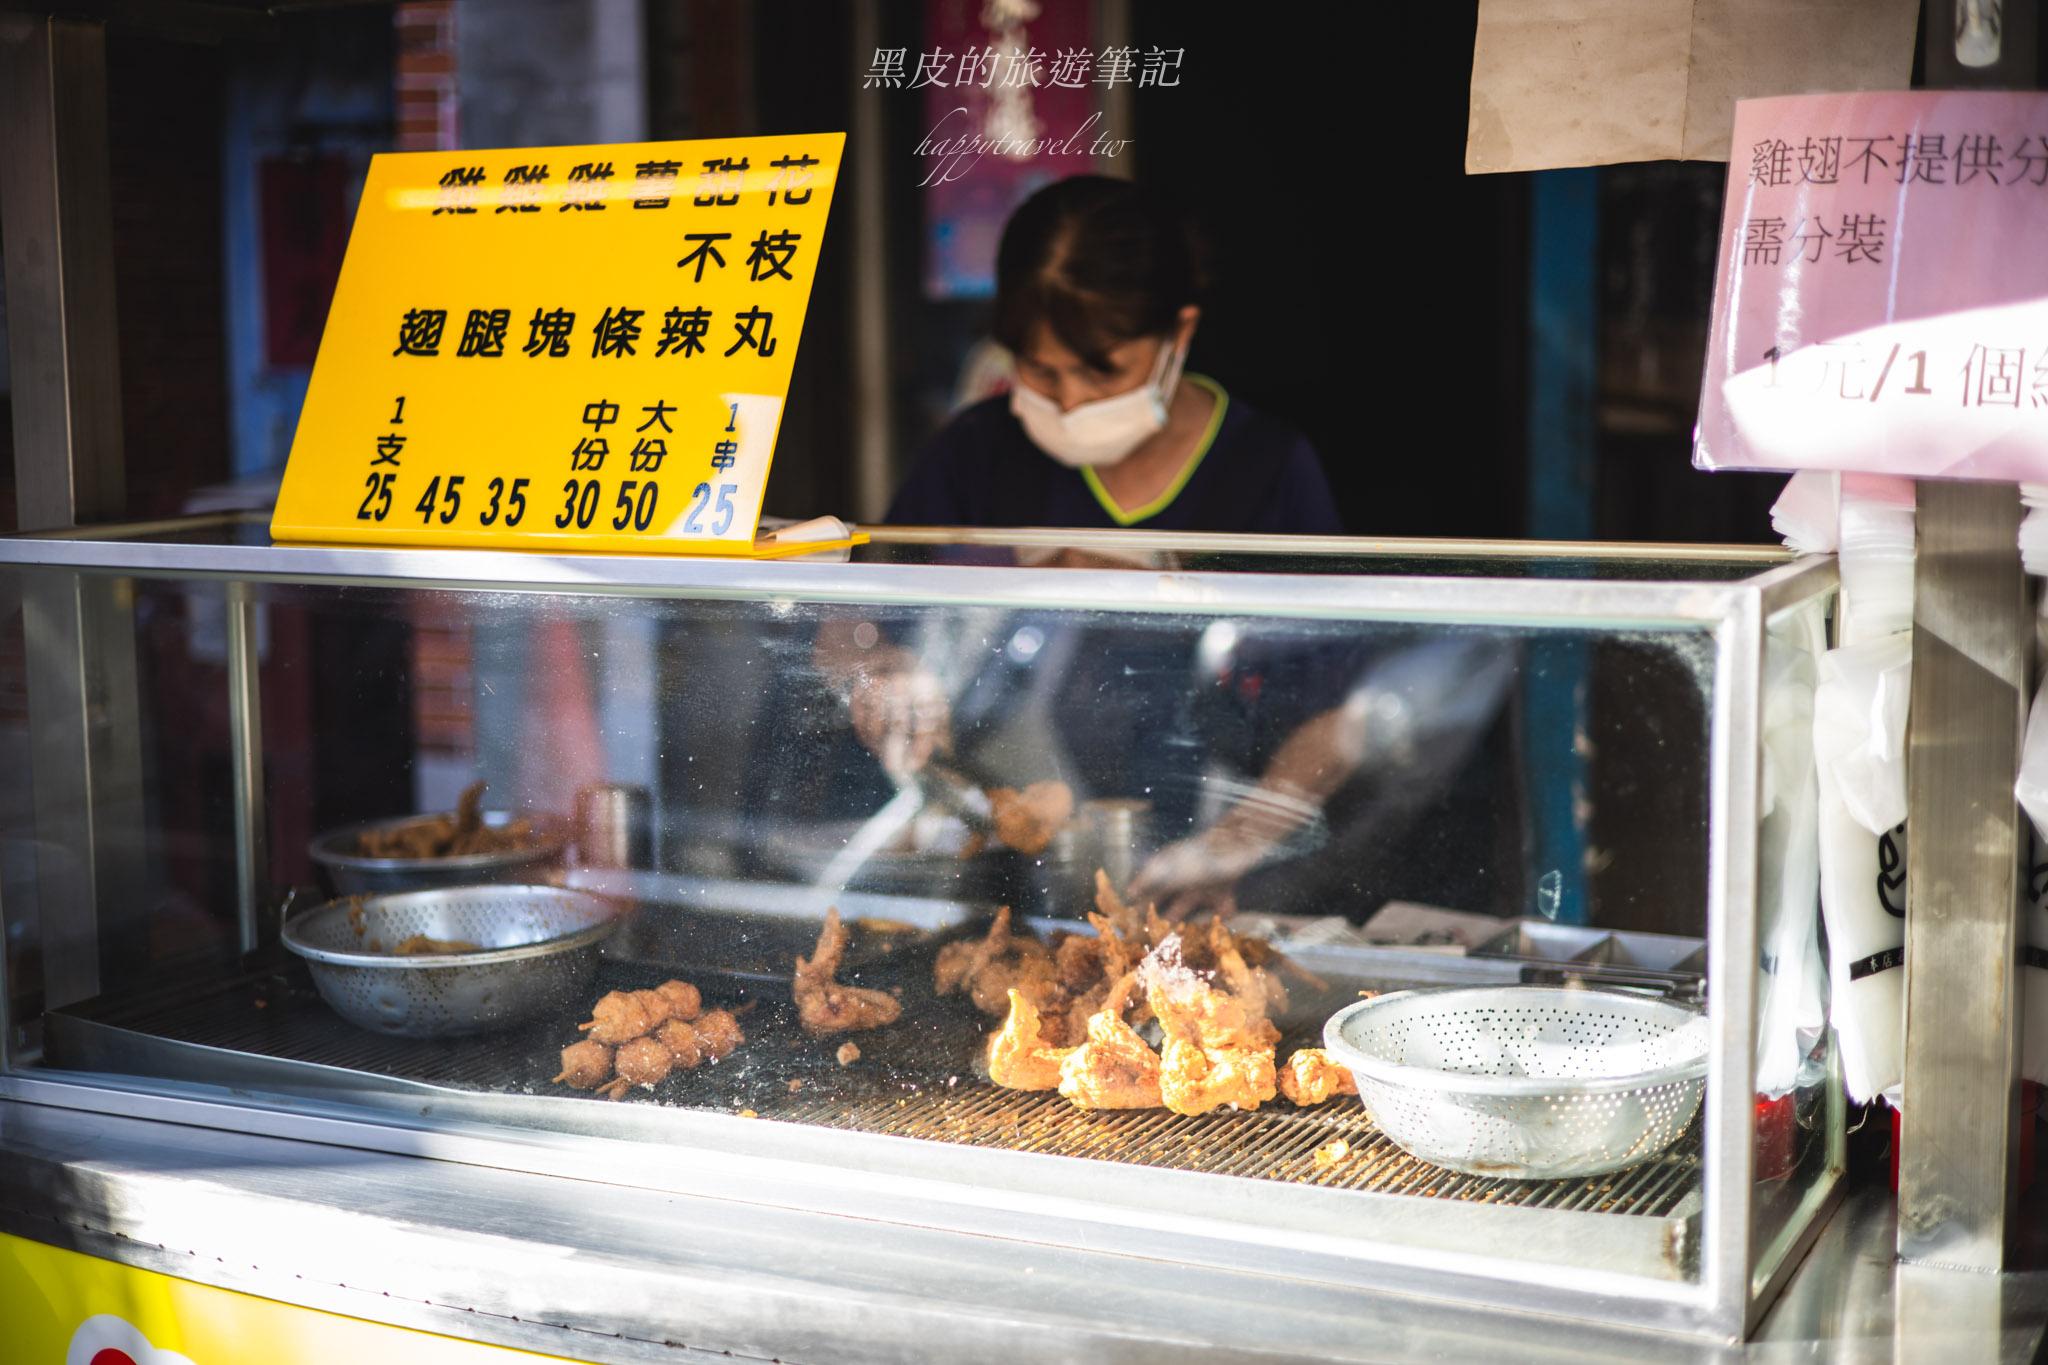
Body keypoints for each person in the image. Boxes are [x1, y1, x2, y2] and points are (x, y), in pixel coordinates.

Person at [886, 175, 1341, 534]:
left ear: (1179, 333)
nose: (1070, 403)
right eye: (1040, 370)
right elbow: (881, 611)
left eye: (1102, 373)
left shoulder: (1269, 468)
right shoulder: (973, 454)